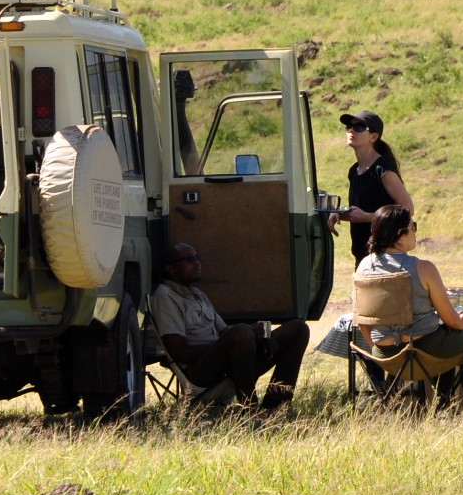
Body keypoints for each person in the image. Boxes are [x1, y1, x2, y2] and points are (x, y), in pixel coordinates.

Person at [150, 243, 309, 414]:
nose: (197, 263)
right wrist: (234, 341)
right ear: (171, 269)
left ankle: (275, 406)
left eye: (198, 258)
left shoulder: (197, 294)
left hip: (230, 363)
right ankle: (249, 408)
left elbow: (224, 331)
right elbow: (180, 352)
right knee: (241, 333)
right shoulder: (165, 297)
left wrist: (257, 336)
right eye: (189, 260)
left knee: (298, 329)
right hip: (200, 372)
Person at [353, 204, 463, 406]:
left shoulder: (364, 266)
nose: (415, 231)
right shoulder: (423, 268)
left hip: (385, 355)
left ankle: (445, 404)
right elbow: (451, 319)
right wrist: (461, 322)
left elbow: (361, 317)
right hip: (424, 352)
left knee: (442, 338)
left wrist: (375, 346)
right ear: (401, 234)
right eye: (413, 226)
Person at [339, 112, 411, 263]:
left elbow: (407, 210)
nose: (351, 130)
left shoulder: (383, 171)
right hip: (362, 257)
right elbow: (359, 212)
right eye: (349, 126)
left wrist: (366, 217)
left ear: (373, 137)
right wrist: (338, 214)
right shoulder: (354, 171)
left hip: (385, 257)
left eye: (359, 127)